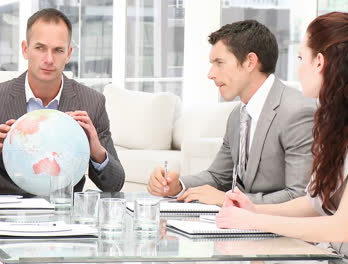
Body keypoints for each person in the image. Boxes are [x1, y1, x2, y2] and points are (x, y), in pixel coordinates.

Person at [0, 8, 125, 195]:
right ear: (25, 50)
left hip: (63, 214)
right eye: (40, 48)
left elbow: (114, 185)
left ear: (69, 53)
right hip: (4, 214)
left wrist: (97, 151)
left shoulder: (92, 102)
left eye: (58, 50)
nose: (49, 59)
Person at [216, 11, 348, 255]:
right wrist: (254, 209)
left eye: (300, 58)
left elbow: (342, 227)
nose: (297, 70)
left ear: (319, 61)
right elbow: (313, 203)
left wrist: (254, 221)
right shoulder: (333, 125)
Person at [148, 20, 317, 206]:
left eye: (219, 63)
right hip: (244, 225)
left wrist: (230, 200)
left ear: (250, 62)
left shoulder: (297, 112)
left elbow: (300, 197)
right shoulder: (238, 115)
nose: (210, 74)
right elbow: (218, 177)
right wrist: (177, 186)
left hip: (281, 230)